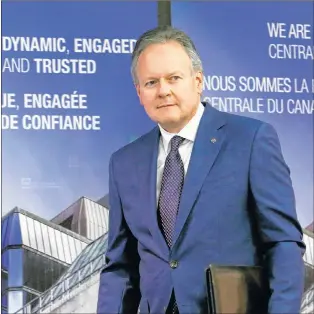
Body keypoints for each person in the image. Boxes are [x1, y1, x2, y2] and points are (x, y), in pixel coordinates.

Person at [97, 25, 305, 314]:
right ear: (139, 92)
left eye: (174, 78)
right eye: (151, 82)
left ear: (197, 81)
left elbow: (283, 243)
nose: (163, 91)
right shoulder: (123, 163)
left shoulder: (251, 140)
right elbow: (120, 267)